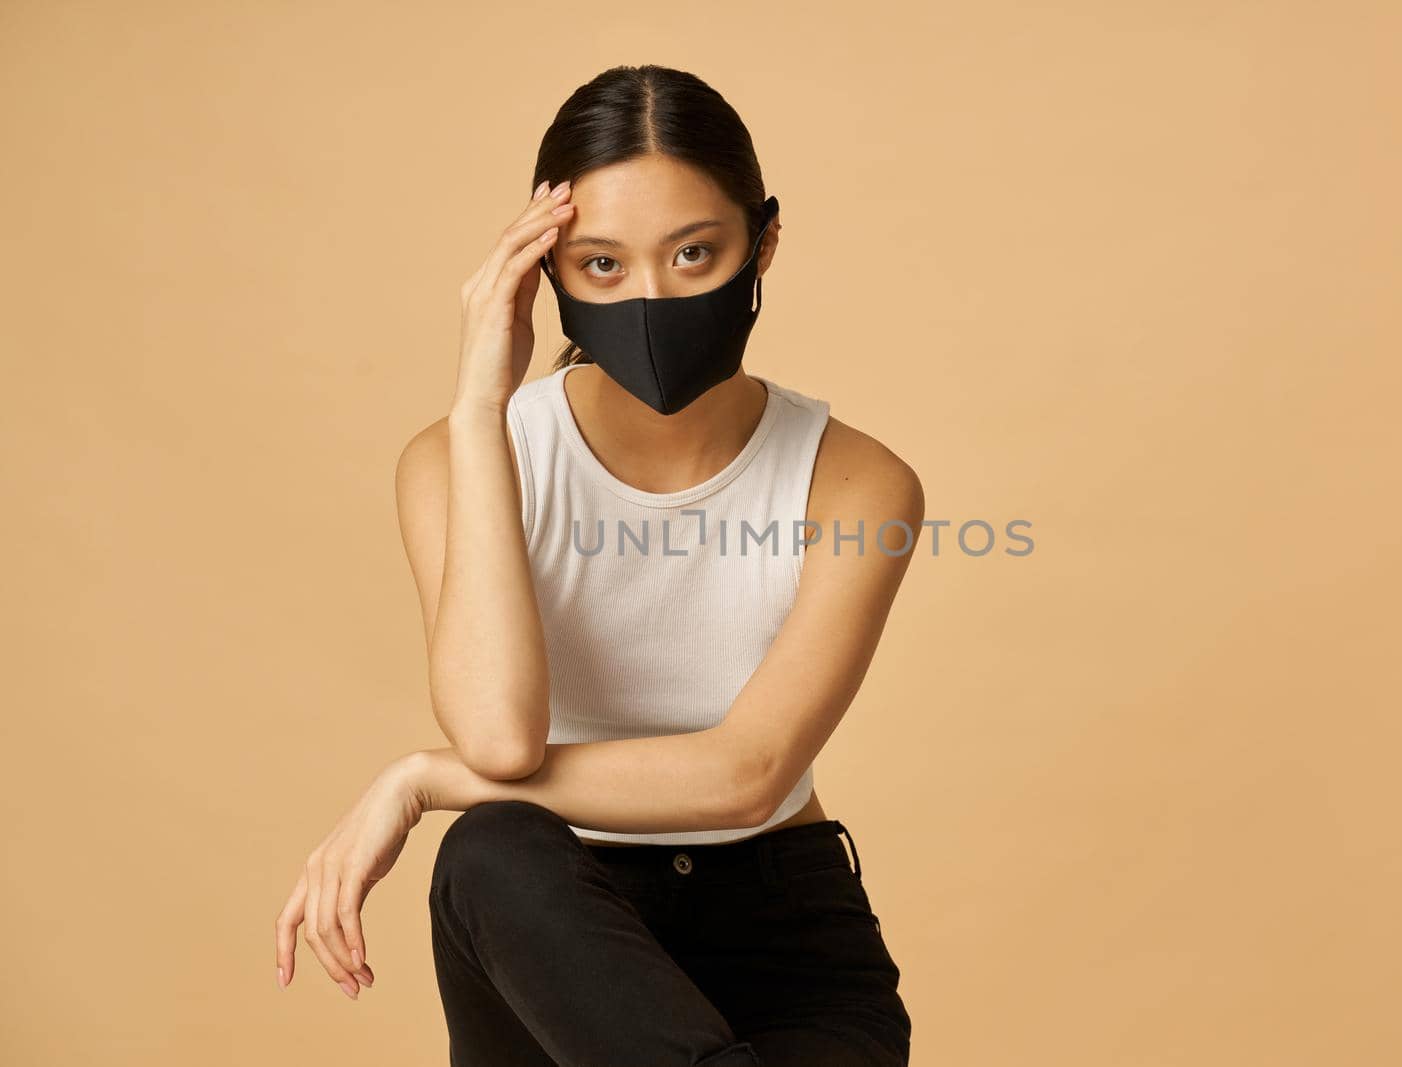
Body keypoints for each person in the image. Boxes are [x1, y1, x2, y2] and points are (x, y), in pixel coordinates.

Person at [273, 64, 924, 1067]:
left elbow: (749, 777)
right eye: (604, 265)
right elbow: (498, 737)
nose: (651, 297)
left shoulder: (857, 482)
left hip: (783, 950)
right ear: (547, 274)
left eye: (694, 252)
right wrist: (480, 411)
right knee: (492, 845)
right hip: (555, 934)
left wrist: (414, 779)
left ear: (764, 243)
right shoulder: (453, 461)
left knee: (478, 822)